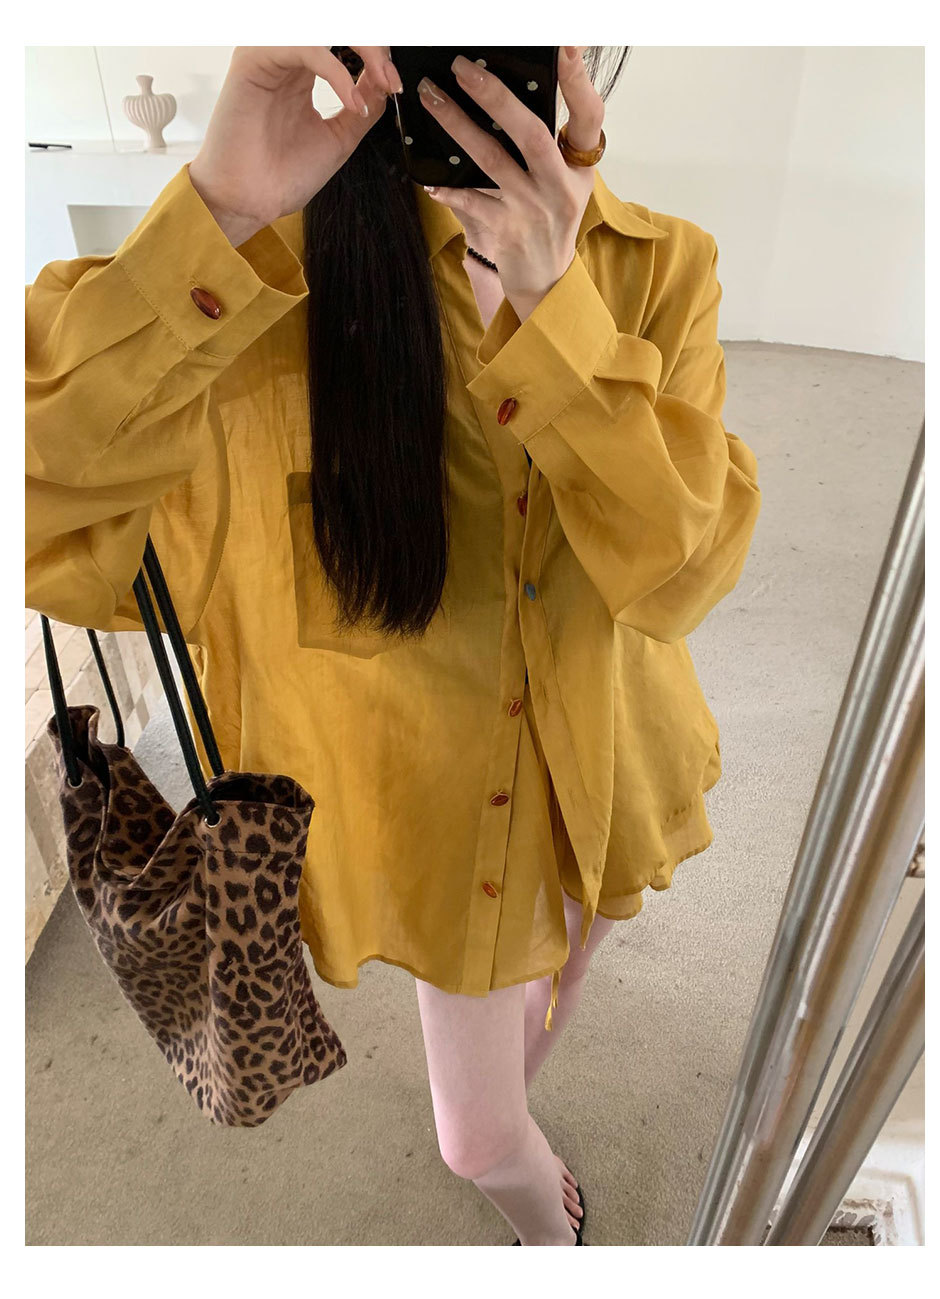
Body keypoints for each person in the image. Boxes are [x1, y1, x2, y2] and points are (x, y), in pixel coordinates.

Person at [25, 45, 762, 1245]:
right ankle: (549, 1227)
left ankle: (523, 1099)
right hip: (424, 812)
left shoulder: (658, 266)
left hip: (605, 757)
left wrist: (556, 310)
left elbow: (684, 576)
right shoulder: (259, 287)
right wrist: (219, 210)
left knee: (569, 963)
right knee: (477, 1137)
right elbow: (37, 504)